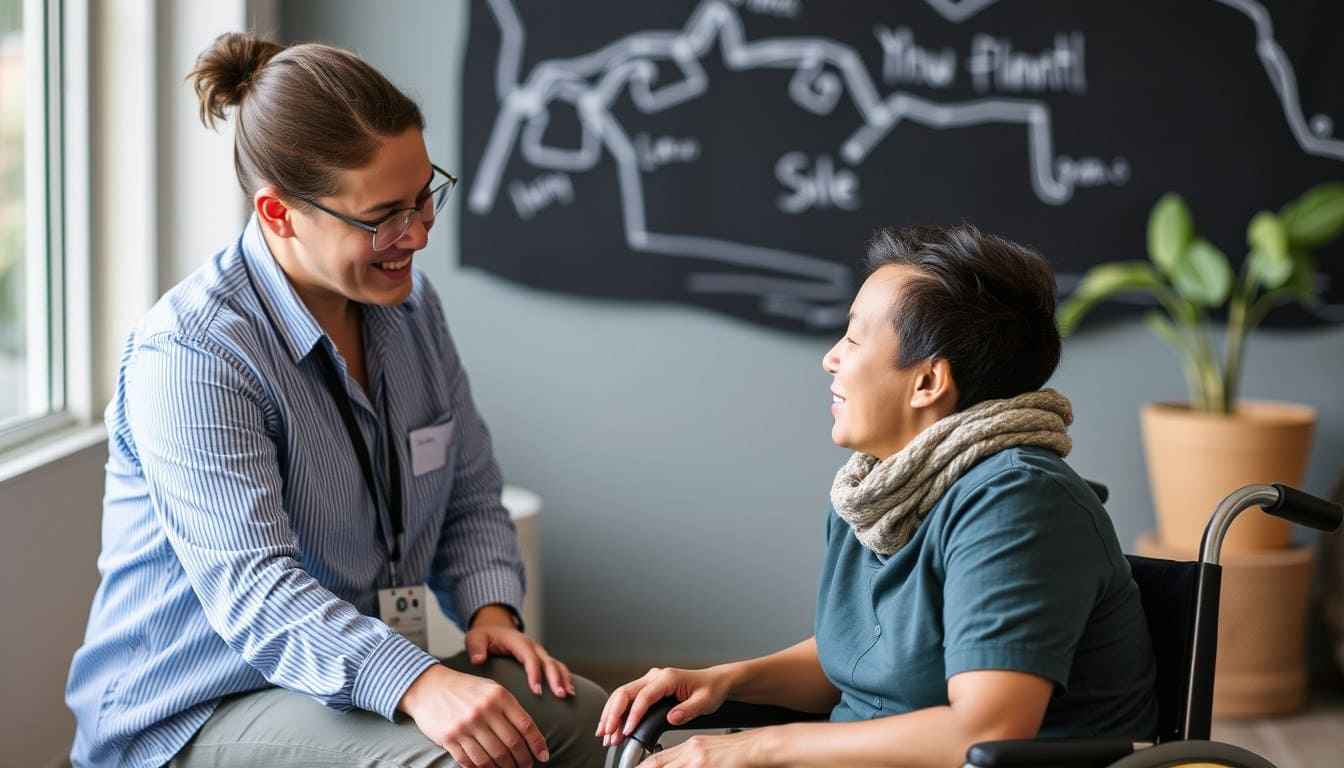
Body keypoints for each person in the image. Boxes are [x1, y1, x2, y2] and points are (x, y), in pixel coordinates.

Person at [65, 32, 605, 768]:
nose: (416, 234)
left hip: (351, 681)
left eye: (424, 197)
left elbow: (471, 492)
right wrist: (418, 679)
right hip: (196, 707)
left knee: (597, 723)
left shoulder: (411, 311)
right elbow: (256, 590)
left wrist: (489, 611)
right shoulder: (191, 353)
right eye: (383, 215)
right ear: (280, 213)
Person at [597, 224, 1159, 767]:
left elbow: (985, 729)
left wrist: (758, 747)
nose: (831, 358)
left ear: (928, 383)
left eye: (853, 337)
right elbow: (867, 657)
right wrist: (724, 680)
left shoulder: (1017, 501)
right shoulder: (877, 490)